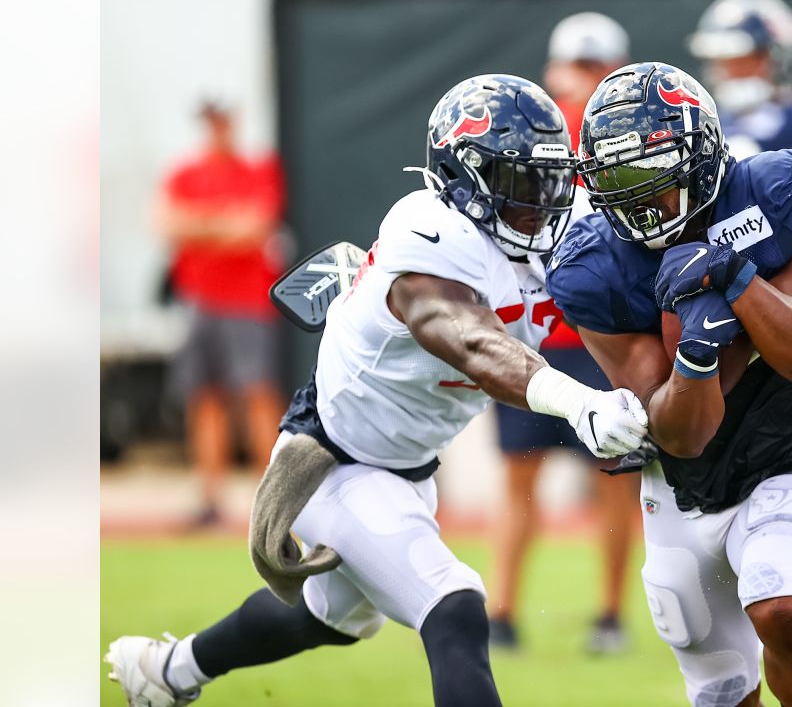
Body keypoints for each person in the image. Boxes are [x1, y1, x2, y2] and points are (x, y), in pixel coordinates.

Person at [105, 74, 649, 707]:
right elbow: (471, 342)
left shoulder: (567, 222)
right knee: (455, 607)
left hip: (409, 465)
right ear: (462, 178)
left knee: (330, 617)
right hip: (335, 460)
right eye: (521, 184)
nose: (544, 202)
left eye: (551, 179)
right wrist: (579, 401)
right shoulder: (427, 230)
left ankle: (167, 671)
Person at [548, 62, 792, 707]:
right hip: (683, 484)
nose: (636, 197)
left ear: (703, 156)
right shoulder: (592, 268)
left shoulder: (775, 192)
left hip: (788, 448)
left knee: (784, 612)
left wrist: (739, 282)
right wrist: (697, 351)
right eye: (617, 179)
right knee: (721, 691)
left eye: (648, 174)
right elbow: (680, 436)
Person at [487, 11, 635, 655]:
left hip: (593, 339)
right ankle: (510, 612)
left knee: (612, 480)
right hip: (548, 337)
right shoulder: (550, 139)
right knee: (536, 483)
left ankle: (589, 614)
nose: (582, 84)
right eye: (578, 68)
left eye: (593, 69)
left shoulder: (586, 139)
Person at [159, 101, 286, 527]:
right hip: (200, 299)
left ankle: (271, 498)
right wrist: (219, 225)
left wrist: (201, 226)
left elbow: (253, 227)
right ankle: (210, 499)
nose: (216, 129)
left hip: (248, 301)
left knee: (256, 393)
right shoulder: (185, 173)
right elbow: (167, 222)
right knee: (204, 397)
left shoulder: (257, 169)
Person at [688, 0, 792, 251]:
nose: (732, 70)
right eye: (725, 60)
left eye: (747, 58)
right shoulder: (709, 122)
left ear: (779, 56)